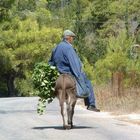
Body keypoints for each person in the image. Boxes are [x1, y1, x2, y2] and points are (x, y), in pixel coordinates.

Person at [49, 29, 100, 112]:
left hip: (58, 73)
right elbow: (74, 63)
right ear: (68, 38)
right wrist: (78, 74)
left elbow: (51, 62)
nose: (72, 40)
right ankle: (91, 104)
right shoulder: (69, 48)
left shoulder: (56, 48)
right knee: (88, 83)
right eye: (72, 38)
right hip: (69, 72)